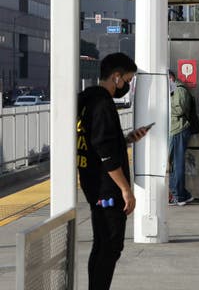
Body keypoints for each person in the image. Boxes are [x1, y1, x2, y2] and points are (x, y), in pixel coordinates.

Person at [76, 52, 149, 290]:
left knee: (101, 246)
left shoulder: (84, 100)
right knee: (110, 247)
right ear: (116, 77)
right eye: (127, 80)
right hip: (107, 187)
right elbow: (105, 151)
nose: (126, 85)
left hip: (92, 182)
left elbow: (99, 141)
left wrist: (126, 139)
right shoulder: (103, 104)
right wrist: (125, 189)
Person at [168, 70, 194, 206]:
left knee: (176, 164)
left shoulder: (179, 90)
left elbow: (180, 110)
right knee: (173, 163)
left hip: (178, 129)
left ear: (170, 78)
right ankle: (180, 193)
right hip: (174, 129)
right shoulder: (174, 90)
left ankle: (179, 195)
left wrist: (165, 103)